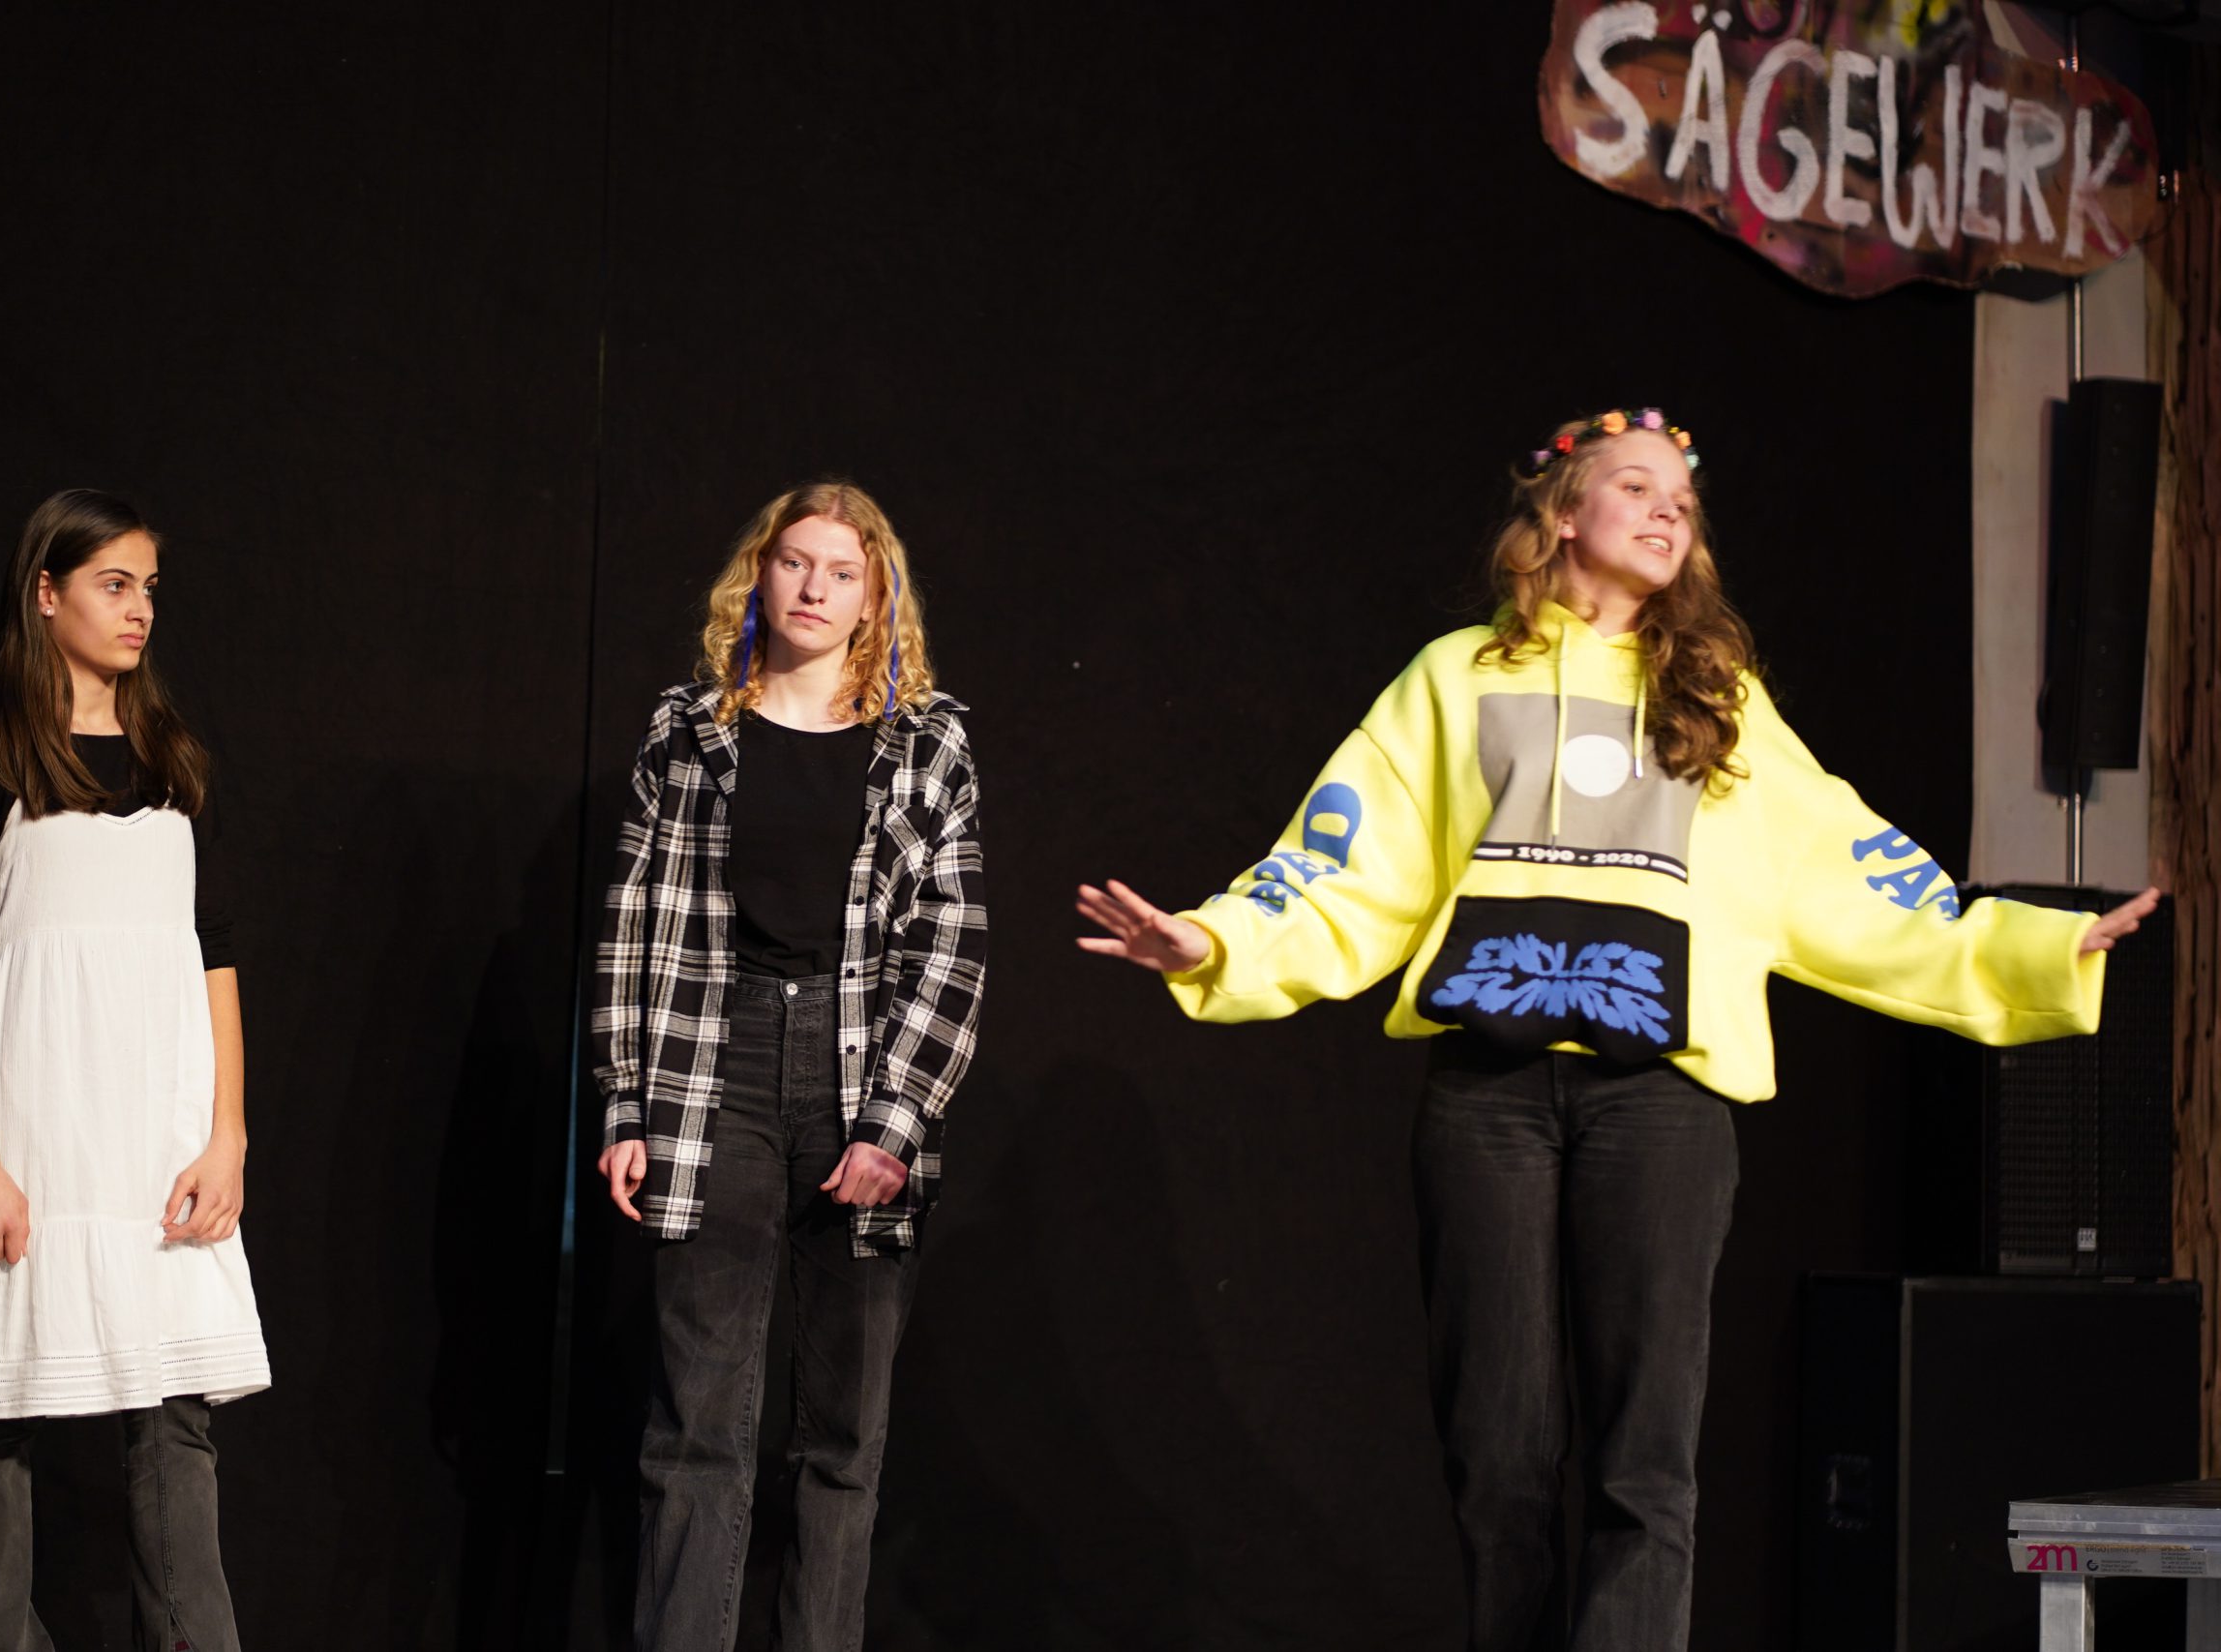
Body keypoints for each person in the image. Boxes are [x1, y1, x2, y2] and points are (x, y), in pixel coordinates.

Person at [1075, 409, 2157, 1652]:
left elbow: (1841, 870)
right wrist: (1216, 941)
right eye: (1635, 487)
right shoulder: (1456, 678)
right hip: (1488, 1094)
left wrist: (2027, 944)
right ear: (1560, 513)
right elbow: (1349, 865)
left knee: (1643, 1456)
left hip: (1661, 1101)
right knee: (1496, 1447)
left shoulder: (1717, 700)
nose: (1667, 510)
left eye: (1682, 501)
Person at [592, 479, 987, 1652]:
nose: (814, 588)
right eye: (795, 563)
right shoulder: (690, 727)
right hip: (711, 1065)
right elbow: (633, 921)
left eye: (842, 572)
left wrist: (895, 1122)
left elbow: (951, 943)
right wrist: (626, 1102)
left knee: (842, 1435)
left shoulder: (928, 741)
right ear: (758, 575)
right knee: (696, 1425)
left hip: (858, 1070)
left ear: (875, 597)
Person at [0, 488, 269, 1651]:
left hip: (156, 1139)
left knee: (175, 1417)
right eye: (114, 584)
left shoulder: (173, 760)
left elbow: (213, 954)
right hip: (28, 1137)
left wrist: (227, 1132)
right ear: (46, 593)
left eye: (149, 587)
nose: (139, 608)